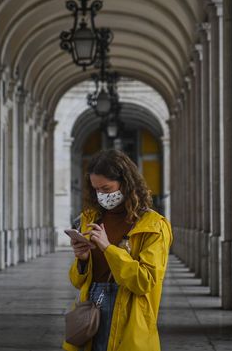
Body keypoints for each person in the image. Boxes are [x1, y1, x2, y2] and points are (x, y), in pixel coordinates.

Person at [62, 149, 173, 351]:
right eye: (96, 190)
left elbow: (145, 281)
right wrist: (83, 259)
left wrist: (108, 248)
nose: (102, 196)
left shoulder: (153, 225)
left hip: (130, 315)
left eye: (106, 188)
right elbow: (78, 283)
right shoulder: (91, 218)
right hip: (91, 310)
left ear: (126, 183)